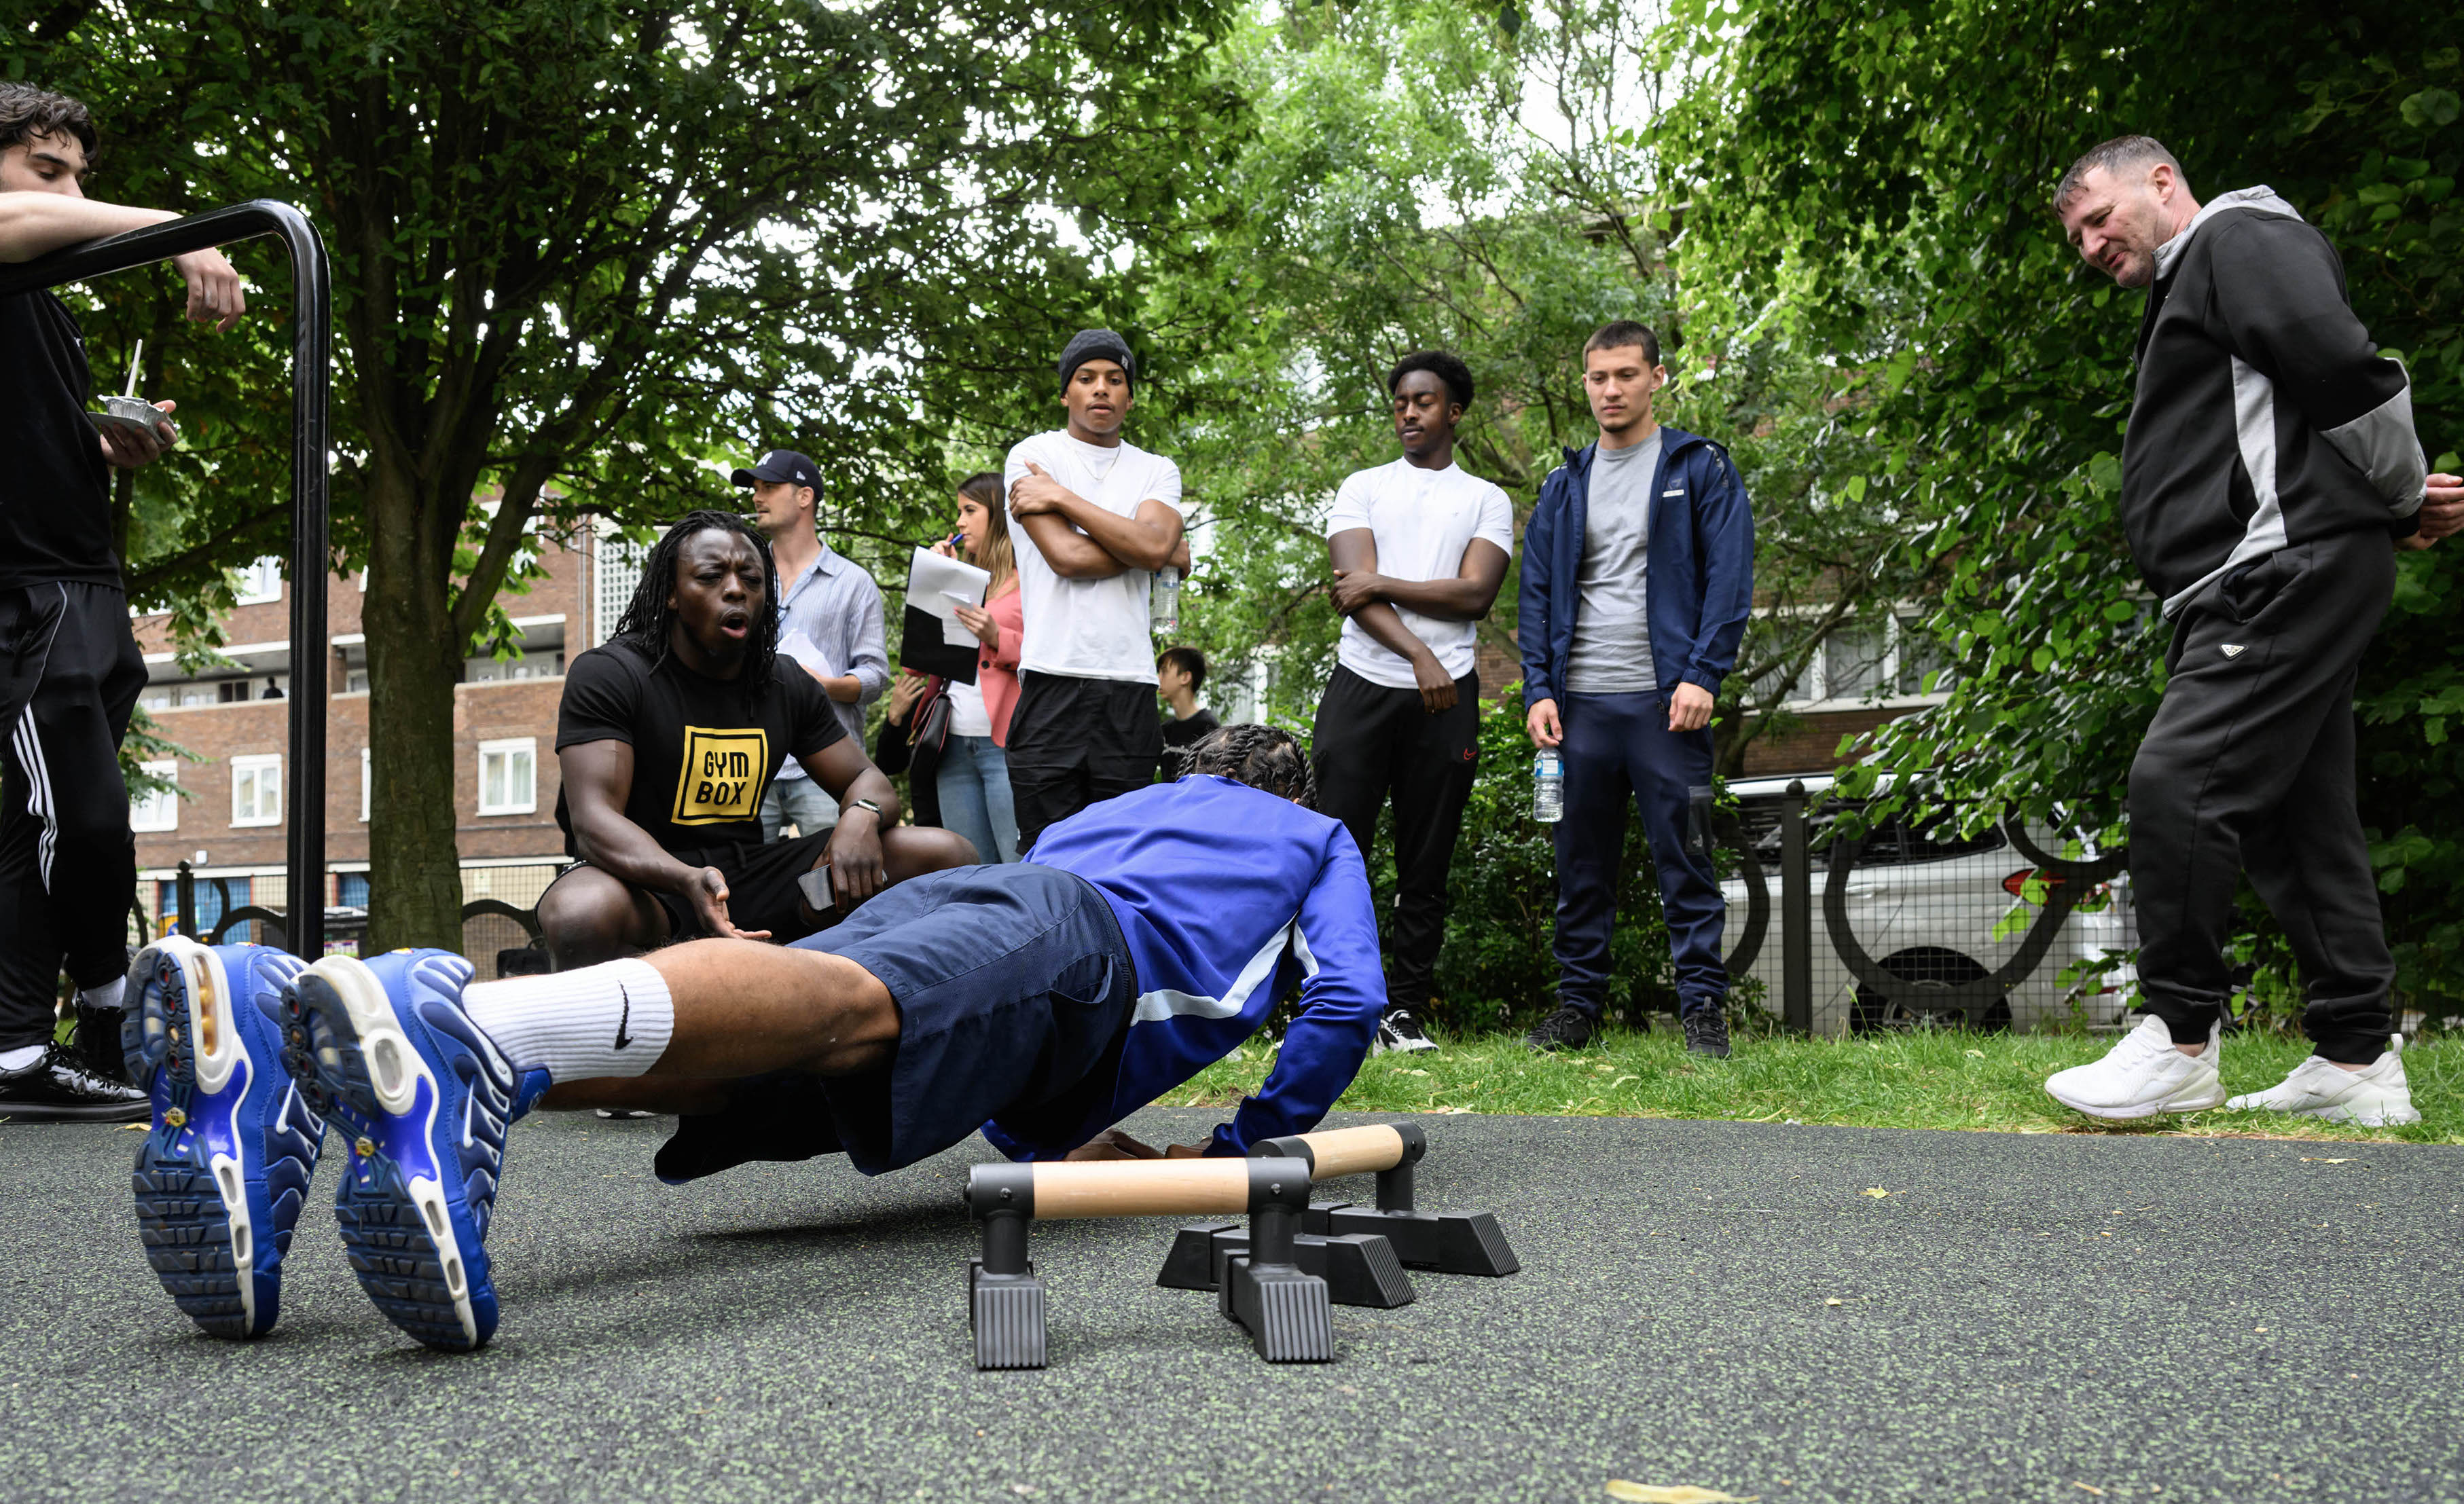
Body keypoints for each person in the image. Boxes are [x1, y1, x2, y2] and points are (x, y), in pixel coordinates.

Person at [120, 725, 1382, 1351]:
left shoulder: (1127, 809)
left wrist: (1073, 1140)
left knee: (774, 1037)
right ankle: (457, 1017)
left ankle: (290, 1029)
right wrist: (1250, 1144)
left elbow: (1010, 1045)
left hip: (1004, 912)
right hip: (1064, 941)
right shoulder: (1309, 837)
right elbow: (1342, 1002)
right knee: (837, 1011)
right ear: (1288, 792)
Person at [2043, 138, 2464, 1125]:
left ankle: (2180, 1036)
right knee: (2297, 821)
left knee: (2176, 779)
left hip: (2278, 569)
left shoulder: (2237, 237)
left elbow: (2342, 365)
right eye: (2077, 239)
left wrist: (2401, 495)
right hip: (2254, 575)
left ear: (2162, 181)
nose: (2092, 244)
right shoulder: (2192, 284)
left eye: (2100, 218)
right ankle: (2357, 1057)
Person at [0, 83, 250, 1122]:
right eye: (45, 168)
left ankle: (35, 1048)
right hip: (23, 589)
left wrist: (109, 441)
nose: (66, 194)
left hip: (87, 578)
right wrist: (185, 233)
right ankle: (87, 1019)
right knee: (83, 818)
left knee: (41, 825)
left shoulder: (41, 305)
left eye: (77, 178)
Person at [532, 511, 972, 970]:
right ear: (671, 594)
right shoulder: (612, 674)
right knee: (580, 910)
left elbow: (867, 778)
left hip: (754, 877)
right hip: (650, 883)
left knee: (942, 855)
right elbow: (594, 820)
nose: (736, 588)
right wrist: (687, 878)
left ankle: (888, 1009)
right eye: (710, 575)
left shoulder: (784, 682)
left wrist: (860, 820)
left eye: (752, 579)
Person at [1519, 321, 1755, 1059]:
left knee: (1684, 860)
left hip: (1667, 706)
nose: (1610, 390)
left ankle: (1703, 1013)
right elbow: (1535, 594)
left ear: (1657, 377)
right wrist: (1537, 689)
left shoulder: (1700, 466)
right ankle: (1576, 1010)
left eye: (1625, 375)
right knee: (1579, 865)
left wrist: (1702, 674)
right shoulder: (1563, 485)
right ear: (1584, 383)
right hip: (1580, 705)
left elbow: (1729, 576)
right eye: (1597, 378)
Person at [1307, 351, 1513, 1054]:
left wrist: (1380, 581)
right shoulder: (1361, 487)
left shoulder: (1486, 498)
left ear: (1453, 412)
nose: (1408, 412)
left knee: (1425, 862)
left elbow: (1475, 594)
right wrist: (1420, 653)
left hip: (1446, 699)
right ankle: (1335, 1003)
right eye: (1400, 401)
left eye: (1423, 401)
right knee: (1337, 852)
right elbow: (1348, 592)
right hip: (1363, 685)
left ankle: (1401, 1013)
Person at [1002, 328, 1186, 849]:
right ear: (1066, 393)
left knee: (1122, 855)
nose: (1101, 389)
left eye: (1114, 379)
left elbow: (1151, 548)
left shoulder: (1156, 469)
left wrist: (1062, 499)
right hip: (1051, 680)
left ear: (1129, 396)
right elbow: (1067, 557)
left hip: (1129, 686)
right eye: (1086, 379)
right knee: (1048, 855)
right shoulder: (1033, 456)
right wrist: (1149, 544)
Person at [737, 449, 889, 843]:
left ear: (805, 497)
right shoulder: (741, 580)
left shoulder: (853, 582)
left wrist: (824, 686)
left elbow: (874, 676)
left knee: (841, 887)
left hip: (826, 767)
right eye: (755, 488)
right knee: (738, 888)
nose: (757, 497)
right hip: (752, 765)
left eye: (769, 487)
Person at [933, 471, 1024, 862]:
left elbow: (1050, 653)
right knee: (968, 870)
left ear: (998, 516)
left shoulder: (1032, 580)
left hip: (1004, 745)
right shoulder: (963, 579)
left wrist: (996, 635)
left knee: (1017, 864)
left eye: (970, 510)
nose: (959, 522)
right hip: (951, 744)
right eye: (959, 512)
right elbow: (922, 663)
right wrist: (937, 580)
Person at [1155, 645, 1218, 780]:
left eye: (1164, 672)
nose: (1158, 678)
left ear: (1185, 677)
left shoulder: (1208, 727)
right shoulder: (1165, 729)